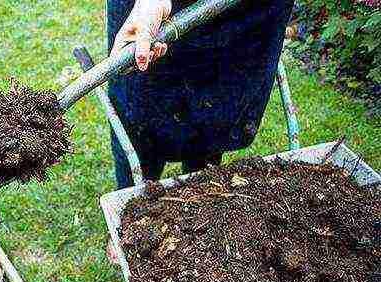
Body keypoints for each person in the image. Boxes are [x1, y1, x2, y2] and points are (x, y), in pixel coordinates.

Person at [106, 0, 294, 262]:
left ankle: (198, 212)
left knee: (216, 113)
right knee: (139, 110)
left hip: (242, 16)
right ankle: (131, 211)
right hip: (148, 9)